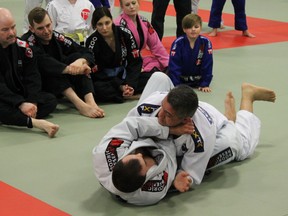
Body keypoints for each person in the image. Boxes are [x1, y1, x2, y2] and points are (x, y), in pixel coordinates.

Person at [93, 72, 276, 205]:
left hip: (212, 125)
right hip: (174, 138)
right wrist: (175, 180)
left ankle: (237, 112)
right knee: (160, 81)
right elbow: (186, 174)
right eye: (163, 109)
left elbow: (133, 126)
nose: (160, 116)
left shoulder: (201, 138)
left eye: (167, 114)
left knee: (239, 145)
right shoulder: (148, 193)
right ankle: (241, 107)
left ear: (185, 119)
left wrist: (166, 131)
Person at [22, 7, 105, 118]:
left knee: (76, 58)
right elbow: (44, 62)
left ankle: (90, 102)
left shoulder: (56, 37)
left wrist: (80, 62)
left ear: (52, 22)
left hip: (62, 81)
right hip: (41, 85)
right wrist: (71, 69)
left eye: (48, 25)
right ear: (31, 29)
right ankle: (80, 105)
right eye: (40, 28)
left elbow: (85, 51)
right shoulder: (27, 42)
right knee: (52, 70)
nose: (46, 31)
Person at [0, 8, 59, 138]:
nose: (11, 33)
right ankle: (36, 123)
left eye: (13, 27)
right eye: (5, 30)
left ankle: (15, 117)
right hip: (5, 97)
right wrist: (20, 103)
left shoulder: (23, 47)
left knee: (50, 100)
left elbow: (33, 76)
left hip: (19, 94)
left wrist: (32, 102)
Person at [86, 7, 151, 103]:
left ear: (112, 20)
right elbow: (95, 72)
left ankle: (127, 92)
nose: (104, 28)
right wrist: (119, 85)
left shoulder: (125, 33)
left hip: (125, 75)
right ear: (95, 25)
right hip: (106, 80)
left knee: (151, 77)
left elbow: (135, 61)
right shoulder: (92, 42)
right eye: (100, 24)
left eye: (107, 23)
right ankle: (125, 94)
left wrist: (130, 84)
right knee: (95, 88)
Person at [114, 0, 169, 73]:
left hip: (139, 60)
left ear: (138, 3)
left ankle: (144, 71)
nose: (131, 7)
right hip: (124, 62)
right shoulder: (118, 25)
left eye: (134, 3)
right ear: (122, 7)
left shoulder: (144, 21)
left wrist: (168, 63)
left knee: (161, 63)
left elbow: (156, 45)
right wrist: (136, 67)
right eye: (127, 5)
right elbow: (119, 52)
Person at [168, 14, 213, 93]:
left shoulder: (205, 42)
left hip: (197, 81)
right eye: (189, 27)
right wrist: (176, 84)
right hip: (181, 80)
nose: (193, 29)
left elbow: (207, 64)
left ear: (201, 28)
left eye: (196, 27)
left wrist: (205, 83)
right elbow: (174, 65)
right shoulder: (178, 43)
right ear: (184, 29)